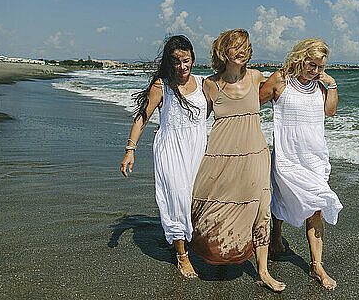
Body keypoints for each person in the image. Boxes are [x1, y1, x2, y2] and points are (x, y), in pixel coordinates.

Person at [190, 29, 286, 292]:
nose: (242, 51)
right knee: (217, 206)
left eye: (245, 46)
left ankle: (263, 272)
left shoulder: (256, 78)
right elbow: (198, 119)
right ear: (223, 52)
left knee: (260, 208)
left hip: (255, 154)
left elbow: (285, 97)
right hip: (221, 157)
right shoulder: (209, 84)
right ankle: (218, 250)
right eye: (236, 47)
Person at [120, 35, 207, 278]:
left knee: (193, 200)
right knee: (177, 199)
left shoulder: (203, 83)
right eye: (177, 62)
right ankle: (182, 256)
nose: (182, 67)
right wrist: (130, 150)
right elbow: (142, 117)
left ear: (193, 58)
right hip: (170, 149)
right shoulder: (162, 86)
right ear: (170, 62)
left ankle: (186, 242)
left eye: (186, 61)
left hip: (197, 149)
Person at [259, 37, 342, 290]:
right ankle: (276, 238)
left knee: (317, 203)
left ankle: (316, 265)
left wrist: (332, 84)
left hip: (315, 158)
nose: (315, 71)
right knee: (282, 199)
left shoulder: (320, 86)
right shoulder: (280, 80)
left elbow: (330, 112)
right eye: (311, 64)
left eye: (319, 66)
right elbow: (252, 105)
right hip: (288, 157)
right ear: (299, 57)